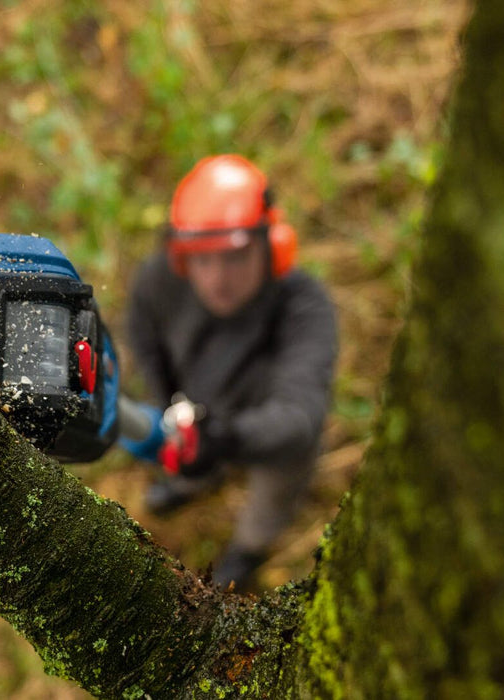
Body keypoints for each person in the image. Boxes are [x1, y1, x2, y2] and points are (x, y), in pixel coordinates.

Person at [120, 154, 338, 592]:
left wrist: (226, 440)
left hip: (267, 434)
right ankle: (191, 482)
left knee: (278, 482)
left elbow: (299, 417)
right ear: (182, 258)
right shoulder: (160, 281)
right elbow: (145, 337)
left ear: (271, 246)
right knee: (189, 454)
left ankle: (250, 548)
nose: (217, 278)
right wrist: (171, 409)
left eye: (235, 257)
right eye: (202, 261)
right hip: (196, 413)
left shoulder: (305, 308)